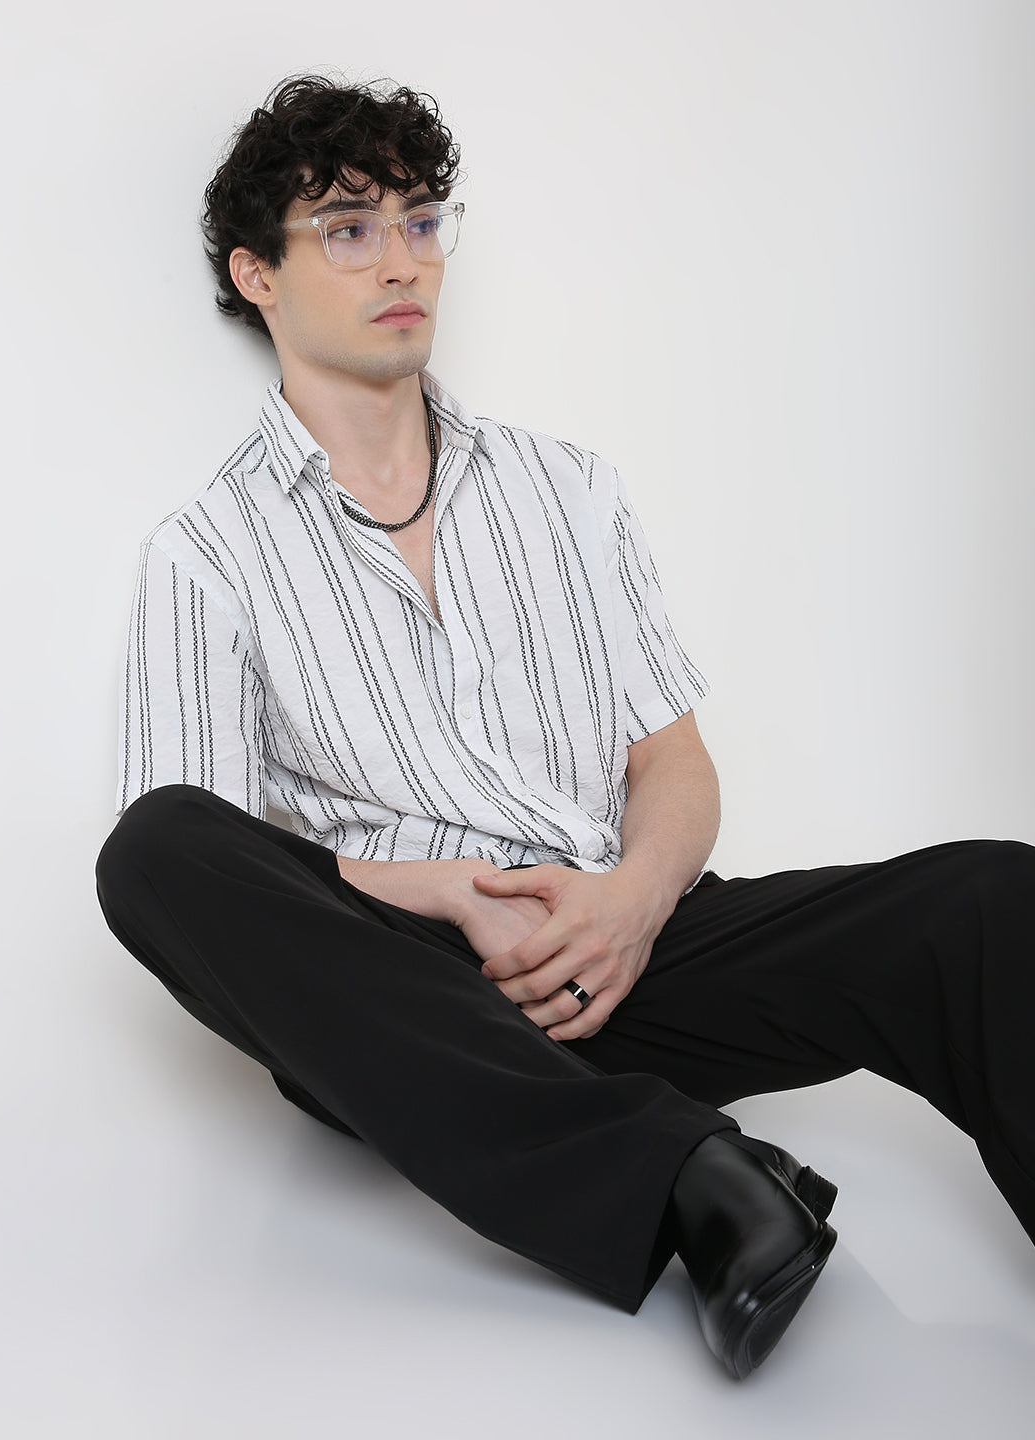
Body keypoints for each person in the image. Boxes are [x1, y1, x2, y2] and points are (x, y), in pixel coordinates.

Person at [95, 75, 1035, 1381]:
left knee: (993, 902)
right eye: (350, 229)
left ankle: (662, 1141)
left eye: (422, 222)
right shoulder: (205, 555)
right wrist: (449, 895)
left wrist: (631, 905)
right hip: (408, 1001)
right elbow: (214, 866)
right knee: (151, 847)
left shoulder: (568, 489)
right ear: (258, 273)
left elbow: (672, 760)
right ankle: (699, 1180)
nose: (402, 261)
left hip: (631, 949)